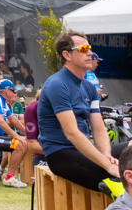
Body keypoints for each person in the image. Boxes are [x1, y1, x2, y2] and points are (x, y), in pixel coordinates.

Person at [37, 30, 120, 191]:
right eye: (83, 49)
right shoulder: (57, 84)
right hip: (61, 154)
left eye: (89, 48)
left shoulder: (89, 87)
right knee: (130, 180)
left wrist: (106, 154)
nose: (90, 53)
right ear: (67, 55)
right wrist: (107, 165)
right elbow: (71, 133)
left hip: (83, 150)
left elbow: (99, 129)